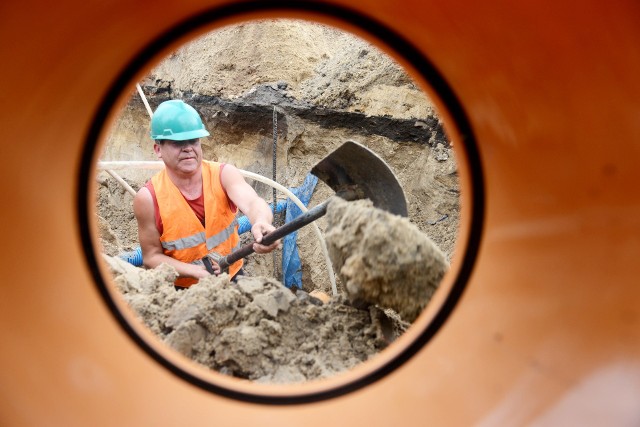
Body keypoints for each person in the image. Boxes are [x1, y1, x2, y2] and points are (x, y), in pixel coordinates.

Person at [133, 99, 279, 288]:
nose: (188, 148)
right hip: (184, 291)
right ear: (158, 149)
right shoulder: (148, 199)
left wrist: (261, 222)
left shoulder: (223, 175)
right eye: (178, 143)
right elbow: (151, 257)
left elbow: (253, 203)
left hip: (233, 278)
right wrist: (196, 273)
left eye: (193, 140)